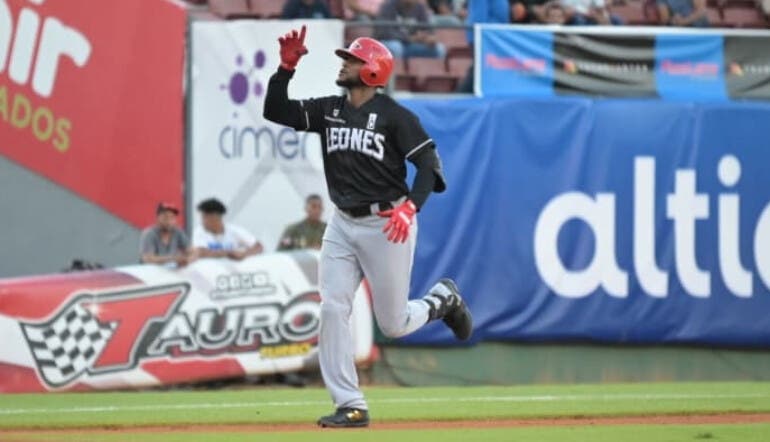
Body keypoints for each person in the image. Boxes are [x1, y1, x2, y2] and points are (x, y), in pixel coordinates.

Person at [264, 26, 472, 428]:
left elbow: (429, 166)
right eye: (347, 58)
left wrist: (410, 207)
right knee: (332, 306)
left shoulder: (396, 116)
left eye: (353, 60)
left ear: (373, 70)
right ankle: (350, 404)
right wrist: (284, 70)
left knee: (393, 324)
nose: (344, 64)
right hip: (342, 223)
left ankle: (441, 300)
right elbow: (277, 111)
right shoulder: (330, 109)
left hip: (386, 223)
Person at [192, 198, 264, 260]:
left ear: (215, 217)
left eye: (204, 217)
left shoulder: (234, 230)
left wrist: (244, 254)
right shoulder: (199, 232)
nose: (202, 221)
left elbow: (258, 246)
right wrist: (229, 253)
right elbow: (200, 252)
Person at [375, 0, 447, 59]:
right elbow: (384, 32)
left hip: (411, 46)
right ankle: (393, 75)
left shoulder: (420, 7)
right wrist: (409, 38)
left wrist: (429, 38)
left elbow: (427, 29)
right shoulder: (388, 5)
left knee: (439, 49)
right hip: (389, 44)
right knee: (396, 47)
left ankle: (427, 75)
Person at [139, 202, 194, 267]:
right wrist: (174, 259)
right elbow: (147, 259)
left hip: (170, 272)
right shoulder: (149, 233)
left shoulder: (177, 232)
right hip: (150, 273)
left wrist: (187, 259)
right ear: (157, 217)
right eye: (165, 217)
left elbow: (191, 251)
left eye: (172, 217)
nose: (169, 221)